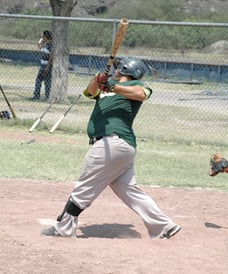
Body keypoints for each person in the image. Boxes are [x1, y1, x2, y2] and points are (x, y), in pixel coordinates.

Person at [41, 57, 181, 239]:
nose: (115, 71)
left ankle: (64, 228)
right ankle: (163, 226)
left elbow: (141, 94)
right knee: (130, 190)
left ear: (125, 70)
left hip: (112, 144)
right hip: (119, 148)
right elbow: (90, 92)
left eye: (118, 68)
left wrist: (112, 87)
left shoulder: (136, 85)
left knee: (84, 187)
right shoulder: (106, 87)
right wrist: (98, 79)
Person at [33, 30, 53, 100]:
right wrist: (40, 40)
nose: (43, 38)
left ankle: (47, 96)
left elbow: (51, 56)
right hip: (42, 65)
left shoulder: (50, 45)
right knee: (38, 80)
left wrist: (47, 67)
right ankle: (36, 95)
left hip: (47, 66)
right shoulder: (45, 45)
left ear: (46, 37)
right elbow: (39, 47)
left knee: (47, 82)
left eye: (43, 36)